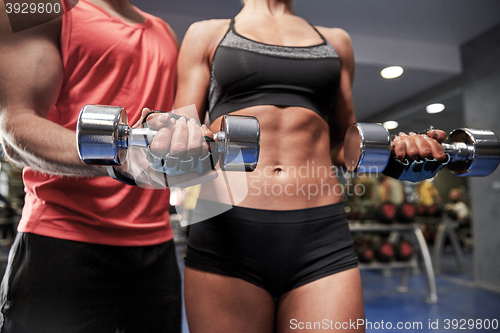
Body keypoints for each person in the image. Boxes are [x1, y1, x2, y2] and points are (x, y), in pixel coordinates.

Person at [158, 0, 449, 332]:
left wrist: (398, 154)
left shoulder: (336, 41)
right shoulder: (207, 33)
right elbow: (183, 135)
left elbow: (344, 145)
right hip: (226, 229)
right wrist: (170, 135)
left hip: (320, 235)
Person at [0, 0, 207, 331]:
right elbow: (16, 130)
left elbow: (173, 140)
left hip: (155, 249)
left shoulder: (163, 32)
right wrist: (117, 162)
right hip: (63, 240)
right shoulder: (43, 8)